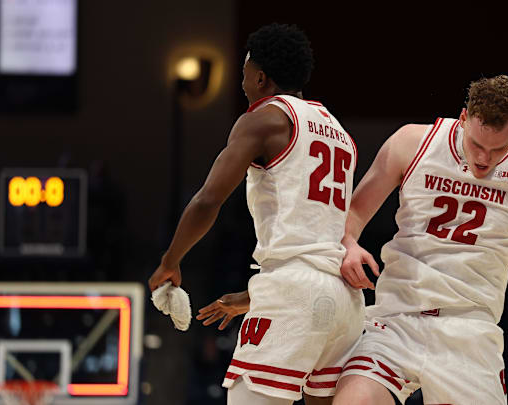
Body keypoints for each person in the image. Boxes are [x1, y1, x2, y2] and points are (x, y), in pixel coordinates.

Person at [332, 75, 508, 405]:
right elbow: (352, 215)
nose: (484, 159)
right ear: (464, 118)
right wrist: (350, 245)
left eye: (497, 149)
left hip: (468, 331)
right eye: (477, 145)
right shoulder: (413, 143)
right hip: (396, 319)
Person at [148, 23, 364, 405]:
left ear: (261, 76)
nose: (242, 82)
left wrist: (171, 260)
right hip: (344, 301)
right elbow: (312, 237)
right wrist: (255, 296)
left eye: (245, 72)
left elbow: (208, 200)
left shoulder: (265, 117)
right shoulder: (339, 132)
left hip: (296, 290)